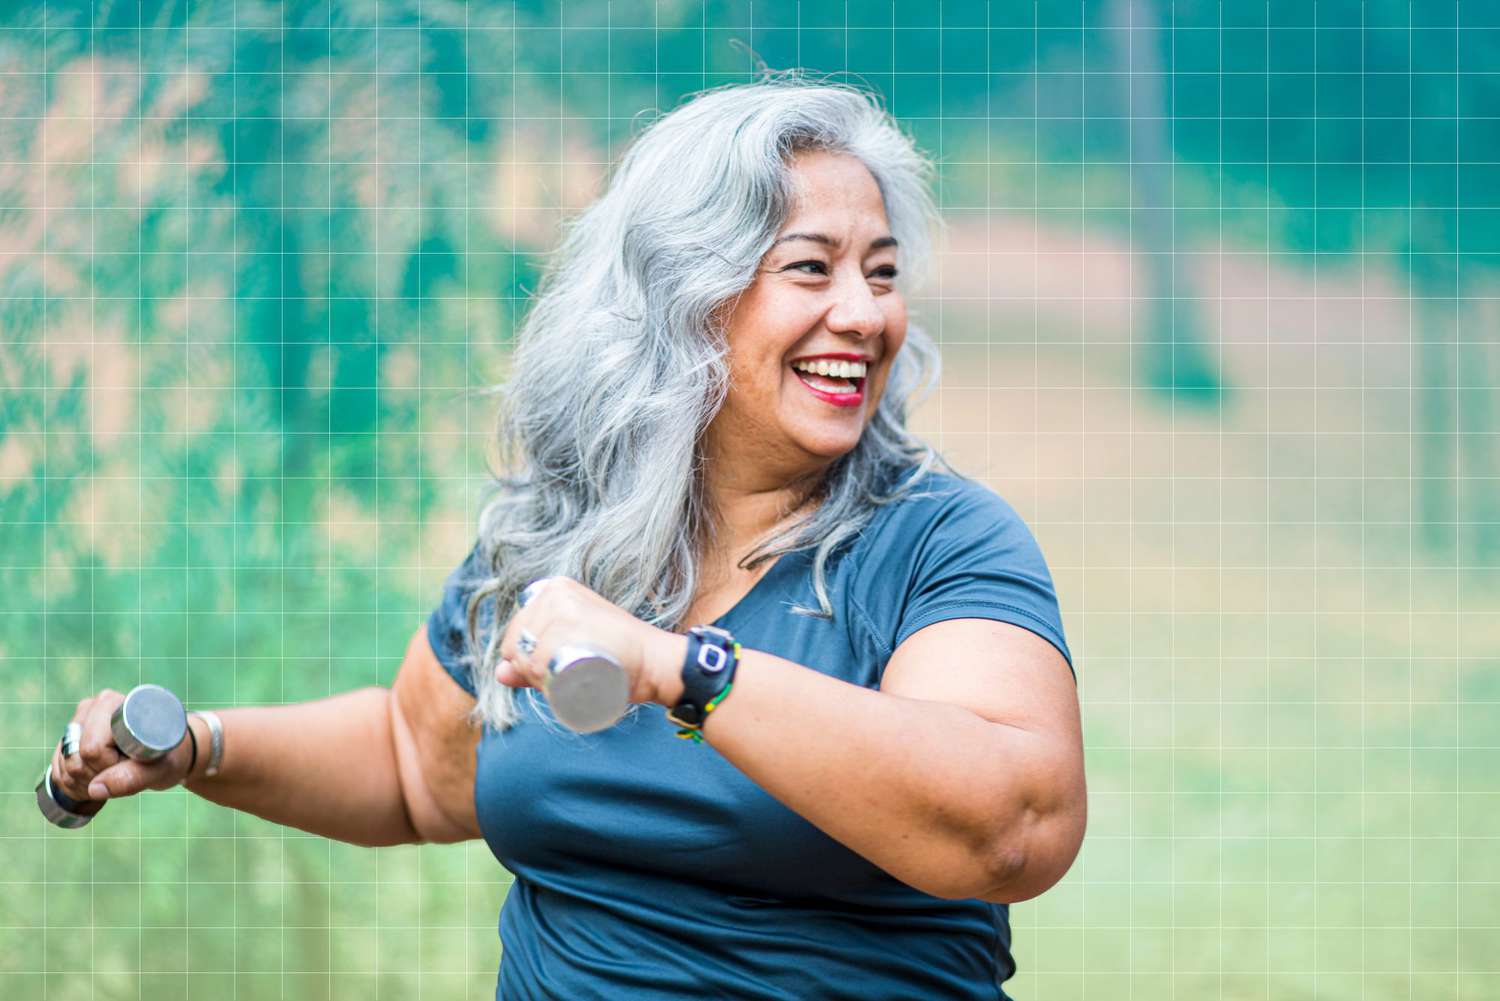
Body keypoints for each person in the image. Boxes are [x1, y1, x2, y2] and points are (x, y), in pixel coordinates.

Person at [52, 73, 1086, 999]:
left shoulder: (942, 542)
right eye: (811, 269)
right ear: (684, 297)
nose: (866, 314)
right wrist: (198, 746)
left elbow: (1012, 826)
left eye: (884, 271)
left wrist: (684, 671)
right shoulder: (563, 527)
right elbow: (416, 760)